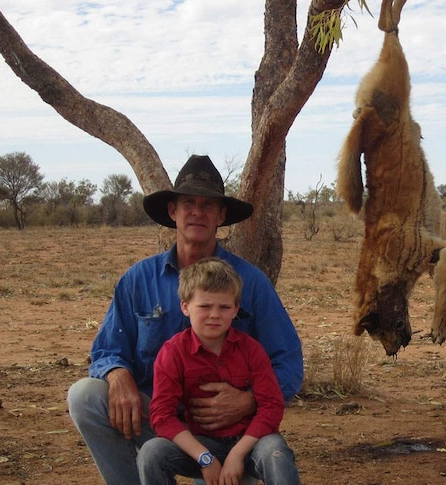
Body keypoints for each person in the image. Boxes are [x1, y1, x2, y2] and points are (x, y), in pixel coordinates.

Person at [67, 155, 303, 485]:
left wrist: (248, 399)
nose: (197, 212)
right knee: (85, 396)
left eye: (208, 205)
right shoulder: (139, 279)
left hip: (230, 427)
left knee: (261, 457)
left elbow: (289, 363)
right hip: (160, 418)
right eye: (188, 202)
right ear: (172, 211)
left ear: (221, 216)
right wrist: (117, 375)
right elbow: (108, 349)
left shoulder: (250, 282)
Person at [138, 257, 295, 485]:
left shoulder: (251, 349)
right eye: (204, 306)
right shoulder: (172, 352)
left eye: (224, 307)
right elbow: (162, 415)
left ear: (235, 309)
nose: (214, 314)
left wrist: (237, 454)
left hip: (251, 442)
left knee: (276, 452)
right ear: (185, 306)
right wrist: (204, 458)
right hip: (201, 444)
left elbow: (271, 405)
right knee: (152, 452)